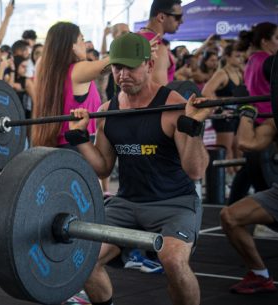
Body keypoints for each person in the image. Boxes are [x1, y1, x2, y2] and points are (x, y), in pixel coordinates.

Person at [67, 33, 208, 305]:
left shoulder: (172, 105)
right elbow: (104, 167)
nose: (123, 74)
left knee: (174, 262)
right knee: (81, 259)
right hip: (127, 204)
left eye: (130, 67)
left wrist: (193, 127)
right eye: (118, 67)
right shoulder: (109, 111)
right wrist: (80, 139)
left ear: (149, 63)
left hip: (174, 203)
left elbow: (196, 171)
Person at [220, 102, 278, 294]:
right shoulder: (274, 122)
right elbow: (247, 143)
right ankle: (259, 275)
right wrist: (247, 114)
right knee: (230, 216)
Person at [31, 22, 109, 149]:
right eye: (82, 39)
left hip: (54, 145)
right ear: (71, 46)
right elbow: (113, 62)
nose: (85, 45)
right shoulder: (77, 70)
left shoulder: (44, 69)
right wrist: (139, 48)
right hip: (81, 145)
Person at [225, 23, 277, 204]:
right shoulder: (270, 61)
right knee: (258, 177)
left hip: (252, 121)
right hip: (268, 124)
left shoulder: (252, 61)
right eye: (277, 39)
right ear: (265, 41)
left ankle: (230, 209)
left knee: (248, 171)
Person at [201, 45, 247, 173]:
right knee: (226, 150)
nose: (240, 59)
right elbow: (206, 92)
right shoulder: (222, 73)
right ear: (227, 57)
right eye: (237, 56)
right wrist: (219, 109)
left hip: (237, 115)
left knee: (239, 149)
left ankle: (236, 183)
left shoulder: (239, 72)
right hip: (224, 117)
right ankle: (223, 185)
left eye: (241, 56)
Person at [138, 0, 183, 85]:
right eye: (178, 17)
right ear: (161, 17)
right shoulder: (157, 47)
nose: (181, 21)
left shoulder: (135, 38)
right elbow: (159, 93)